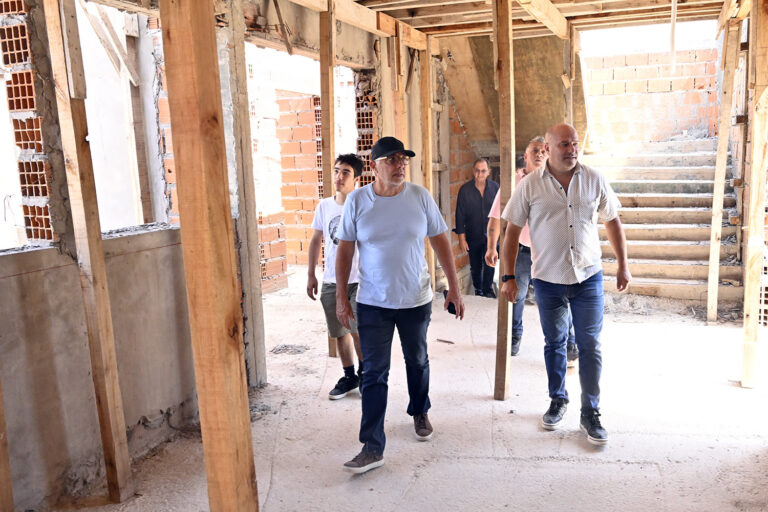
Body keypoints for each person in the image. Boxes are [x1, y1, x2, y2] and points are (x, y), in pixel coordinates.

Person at [335, 136, 465, 474]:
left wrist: (454, 287)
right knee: (375, 372)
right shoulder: (358, 201)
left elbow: (440, 241)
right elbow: (345, 249)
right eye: (391, 160)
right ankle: (372, 446)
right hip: (372, 302)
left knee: (417, 360)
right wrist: (340, 298)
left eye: (403, 159)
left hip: (415, 299)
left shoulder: (419, 197)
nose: (399, 165)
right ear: (375, 166)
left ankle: (419, 410)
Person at [499, 124, 631, 446]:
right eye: (563, 144)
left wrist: (623, 265)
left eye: (574, 144)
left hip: (588, 277)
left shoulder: (594, 179)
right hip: (548, 280)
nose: (571, 149)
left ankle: (591, 411)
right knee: (554, 343)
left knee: (589, 345)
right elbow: (511, 232)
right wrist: (508, 276)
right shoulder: (530, 186)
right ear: (547, 147)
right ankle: (557, 400)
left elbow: (612, 220)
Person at [485, 138, 578, 363]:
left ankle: (568, 341)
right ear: (525, 157)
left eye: (542, 151)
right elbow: (496, 217)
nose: (539, 155)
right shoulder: (513, 182)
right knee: (514, 296)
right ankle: (514, 336)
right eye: (534, 151)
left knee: (559, 297)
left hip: (550, 252)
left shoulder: (555, 180)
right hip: (522, 252)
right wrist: (491, 247)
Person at [307, 154, 366, 399]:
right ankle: (349, 375)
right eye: (337, 171)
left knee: (357, 330)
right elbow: (315, 240)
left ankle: (367, 374)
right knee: (339, 331)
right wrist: (311, 274)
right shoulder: (324, 206)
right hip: (331, 279)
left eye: (346, 173)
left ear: (357, 179)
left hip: (359, 280)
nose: (339, 177)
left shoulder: (363, 205)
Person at [455, 158, 499, 298]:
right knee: (475, 265)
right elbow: (459, 215)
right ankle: (478, 289)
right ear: (473, 171)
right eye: (477, 171)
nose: (480, 174)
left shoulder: (496, 188)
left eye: (483, 171)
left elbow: (500, 212)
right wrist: (462, 239)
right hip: (472, 234)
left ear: (489, 172)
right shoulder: (465, 190)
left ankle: (487, 289)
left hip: (492, 235)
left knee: (490, 263)